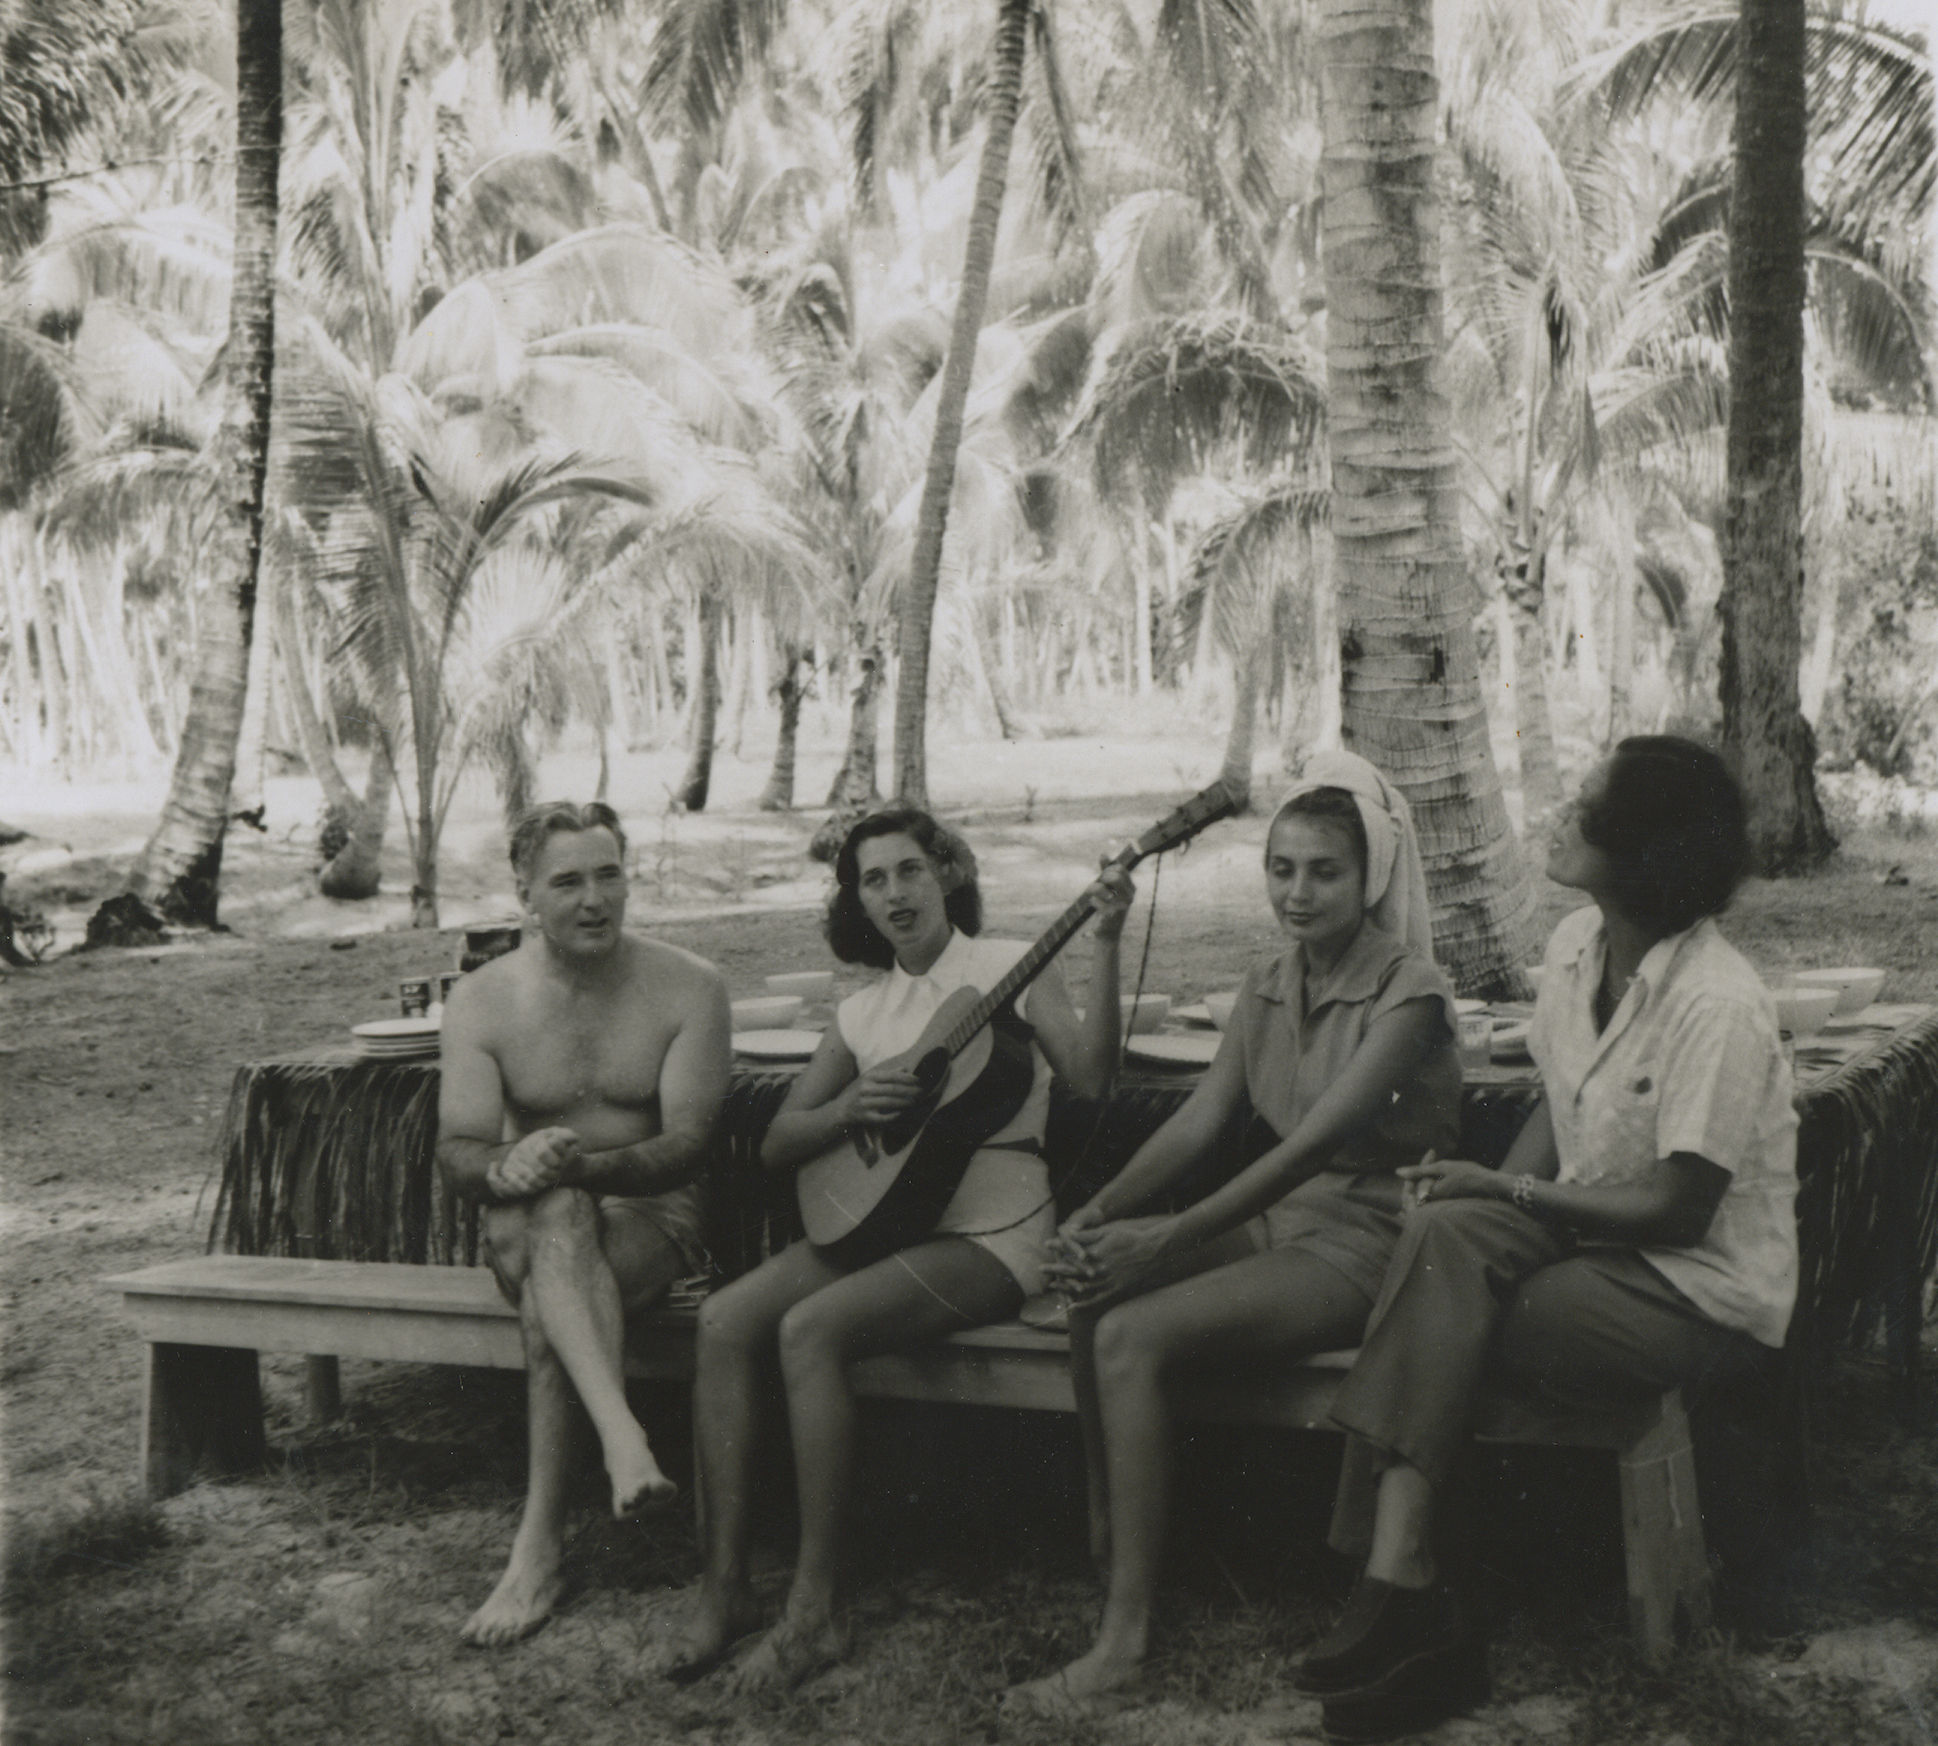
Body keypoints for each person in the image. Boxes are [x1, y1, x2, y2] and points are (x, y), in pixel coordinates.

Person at [1296, 736, 1798, 1743]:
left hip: (1691, 1288)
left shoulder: (1719, 1003)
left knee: (1465, 1311)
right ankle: (1407, 1582)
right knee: (1437, 1239)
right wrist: (1491, 1194)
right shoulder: (1577, 946)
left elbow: (1676, 1210)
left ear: (1646, 852)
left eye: (1591, 805)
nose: (1563, 813)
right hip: (1586, 1238)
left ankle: (1412, 1601)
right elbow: (1560, 1105)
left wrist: (1513, 1200)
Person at [1004, 749, 1463, 1717]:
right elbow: (1201, 1125)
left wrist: (1164, 1242)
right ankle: (1114, 1553)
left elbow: (1310, 1151)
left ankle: (1125, 1643)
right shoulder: (1267, 981)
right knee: (1097, 1291)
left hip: (1371, 1239)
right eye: (1282, 869)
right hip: (1283, 1224)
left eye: (1325, 871)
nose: (1298, 893)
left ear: (1370, 876)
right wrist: (1100, 1215)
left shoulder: (1410, 993)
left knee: (1131, 1334)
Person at [655, 807, 1133, 1694]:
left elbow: (1095, 1078)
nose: (894, 893)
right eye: (872, 880)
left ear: (947, 873)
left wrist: (1105, 940)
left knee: (810, 1331)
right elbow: (777, 1142)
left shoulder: (1009, 967)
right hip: (883, 1220)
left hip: (991, 1233)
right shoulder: (864, 1010)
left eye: (909, 870)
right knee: (724, 1320)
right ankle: (722, 1588)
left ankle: (816, 1611)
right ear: (858, 901)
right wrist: (848, 1112)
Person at [437, 800, 731, 1647]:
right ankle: (623, 1440)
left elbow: (689, 1146)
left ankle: (538, 1550)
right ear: (524, 891)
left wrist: (585, 1169)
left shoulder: (689, 986)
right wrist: (504, 1168)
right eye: (567, 881)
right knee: (556, 1210)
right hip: (525, 1217)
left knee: (550, 1289)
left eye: (609, 875)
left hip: (650, 1215)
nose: (594, 898)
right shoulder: (484, 1001)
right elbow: (455, 1149)